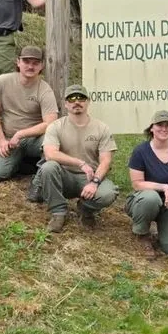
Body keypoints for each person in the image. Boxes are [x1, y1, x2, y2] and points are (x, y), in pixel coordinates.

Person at [38, 84, 119, 233]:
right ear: (66, 104)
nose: (77, 102)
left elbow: (106, 160)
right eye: (72, 98)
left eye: (81, 98)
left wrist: (95, 182)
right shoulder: (55, 126)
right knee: (48, 168)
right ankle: (58, 213)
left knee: (109, 193)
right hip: (64, 176)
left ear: (88, 102)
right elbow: (50, 154)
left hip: (90, 178)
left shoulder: (101, 128)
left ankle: (85, 209)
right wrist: (80, 163)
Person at [0, 46, 58, 181]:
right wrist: (1, 139)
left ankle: (40, 180)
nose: (30, 66)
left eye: (35, 63)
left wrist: (21, 134)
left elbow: (50, 123)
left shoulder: (45, 90)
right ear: (18, 62)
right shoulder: (3, 81)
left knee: (52, 141)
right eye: (26, 62)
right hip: (8, 139)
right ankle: (16, 163)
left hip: (34, 139)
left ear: (41, 66)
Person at [124, 111, 168, 261]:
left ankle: (164, 231)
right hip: (143, 198)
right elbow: (137, 184)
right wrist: (164, 187)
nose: (164, 129)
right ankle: (142, 233)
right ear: (151, 128)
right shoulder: (141, 151)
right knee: (151, 198)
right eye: (159, 125)